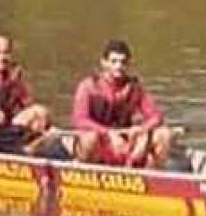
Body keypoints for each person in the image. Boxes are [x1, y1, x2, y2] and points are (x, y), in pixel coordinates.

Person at [70, 39, 173, 168]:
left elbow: (156, 116)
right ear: (104, 63)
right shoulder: (88, 86)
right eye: (114, 62)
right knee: (90, 137)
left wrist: (142, 131)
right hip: (100, 143)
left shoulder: (134, 87)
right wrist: (108, 133)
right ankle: (87, 174)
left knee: (164, 134)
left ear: (128, 64)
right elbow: (80, 120)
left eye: (123, 62)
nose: (118, 66)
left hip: (126, 142)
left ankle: (154, 177)